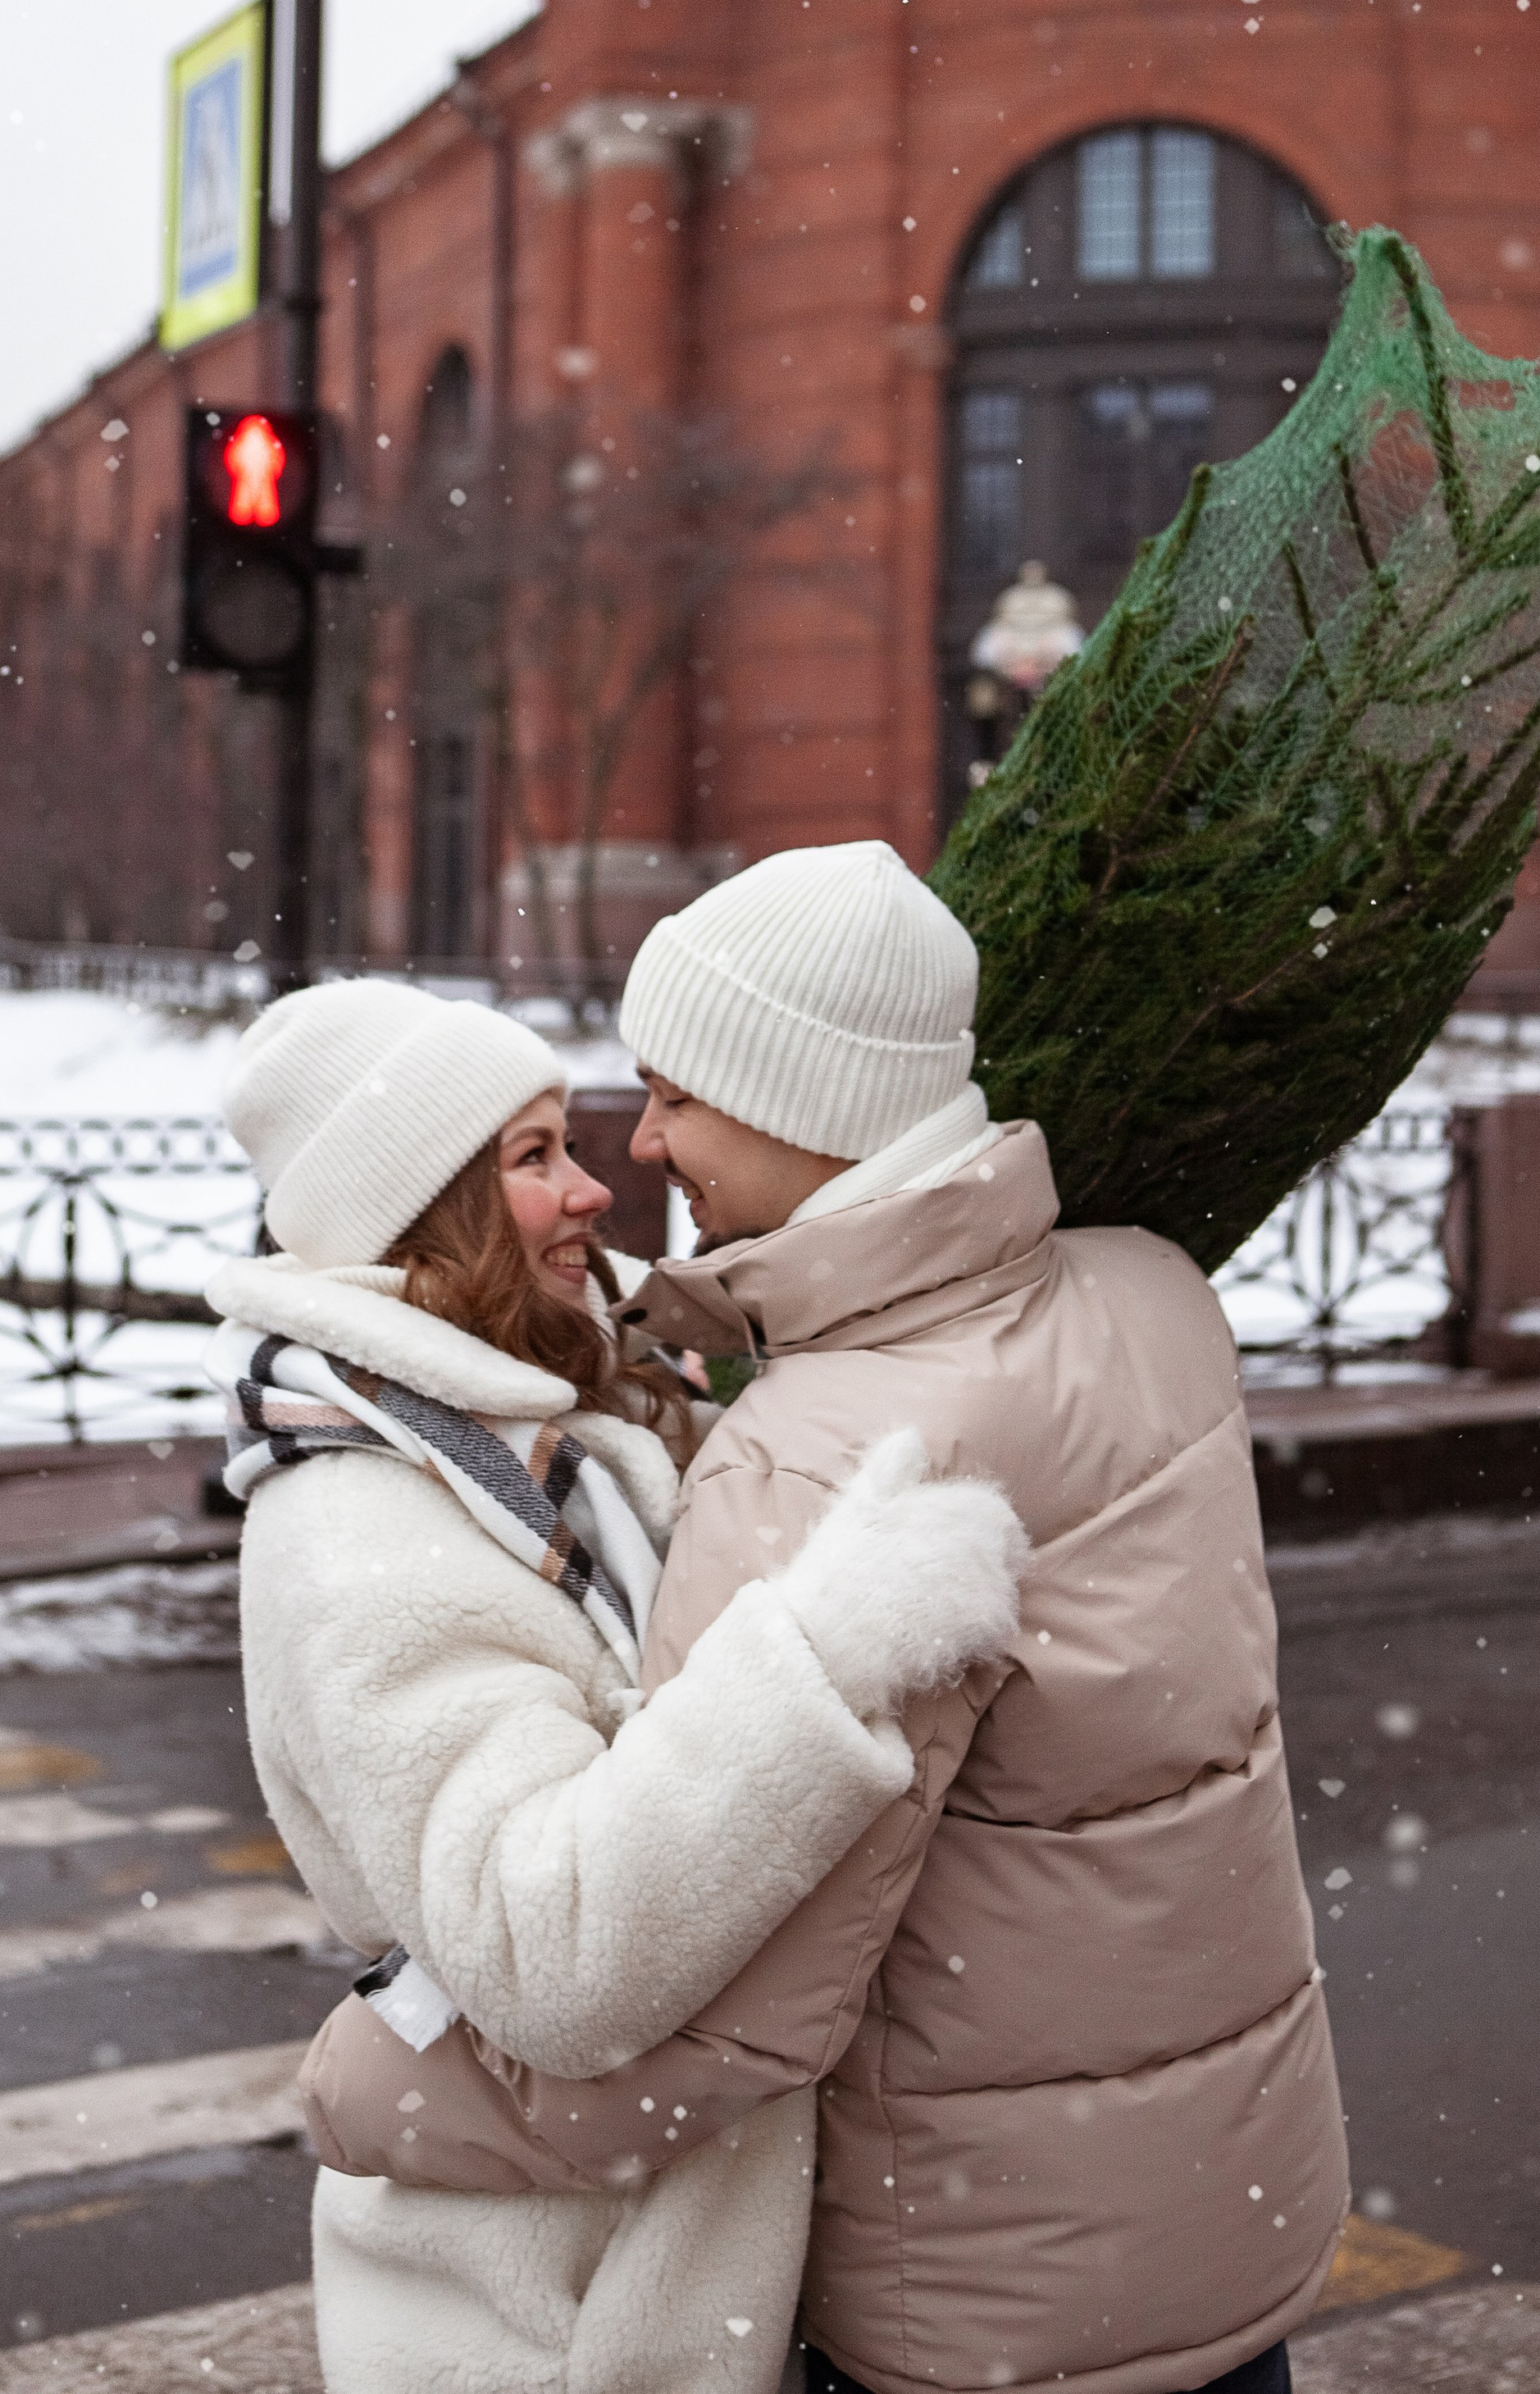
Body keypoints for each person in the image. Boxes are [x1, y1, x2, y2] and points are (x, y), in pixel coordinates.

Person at [303, 841, 1349, 2394]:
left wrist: (368, 2094)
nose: (646, 1145)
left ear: (795, 1097)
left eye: (675, 1094)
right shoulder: (1152, 1292)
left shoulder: (835, 1455)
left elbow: (725, 2018)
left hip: (977, 2290)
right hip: (1222, 2209)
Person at [209, 975, 1029, 2394]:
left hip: (659, 2253)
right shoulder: (359, 1530)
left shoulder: (550, 1430)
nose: (596, 1191)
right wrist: (827, 1653)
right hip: (545, 2316)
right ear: (423, 1214)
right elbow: (546, 1949)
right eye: (535, 1159)